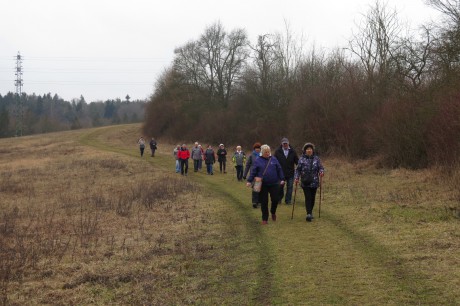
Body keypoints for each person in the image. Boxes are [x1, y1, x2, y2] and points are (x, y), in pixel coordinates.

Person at [246, 144, 285, 225]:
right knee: (264, 202)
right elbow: (253, 171)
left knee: (275, 199)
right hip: (263, 184)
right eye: (265, 152)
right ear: (262, 152)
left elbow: (279, 169)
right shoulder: (258, 160)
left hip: (274, 183)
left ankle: (273, 212)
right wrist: (249, 181)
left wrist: (282, 178)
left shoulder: (274, 159)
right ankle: (265, 218)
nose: (267, 153)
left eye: (268, 152)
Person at [294, 142, 325, 222]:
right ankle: (308, 214)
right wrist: (296, 178)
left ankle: (310, 212)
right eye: (307, 149)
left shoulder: (316, 159)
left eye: (310, 149)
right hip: (305, 182)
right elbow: (298, 170)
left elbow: (321, 168)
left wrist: (321, 172)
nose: (309, 150)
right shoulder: (301, 159)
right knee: (308, 197)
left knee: (312, 198)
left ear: (312, 150)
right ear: (304, 151)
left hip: (314, 182)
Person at [274, 137, 299, 205]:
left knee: (290, 187)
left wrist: (300, 168)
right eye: (284, 143)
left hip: (290, 173)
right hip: (280, 173)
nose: (285, 145)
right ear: (281, 144)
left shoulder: (293, 151)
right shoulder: (277, 151)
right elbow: (274, 161)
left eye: (286, 143)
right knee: (280, 187)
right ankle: (279, 199)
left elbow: (297, 161)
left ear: (288, 143)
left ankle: (288, 201)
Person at [243, 142, 262, 208]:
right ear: (254, 149)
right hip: (253, 174)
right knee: (255, 188)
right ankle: (254, 202)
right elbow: (248, 165)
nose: (257, 149)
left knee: (259, 188)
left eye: (259, 148)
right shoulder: (251, 156)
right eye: (256, 148)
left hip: (261, 174)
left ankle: (259, 201)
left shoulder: (262, 155)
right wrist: (245, 174)